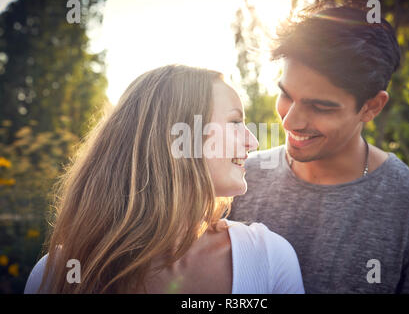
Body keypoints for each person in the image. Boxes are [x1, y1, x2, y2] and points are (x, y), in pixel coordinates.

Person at [229, 2, 409, 293]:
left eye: (319, 107)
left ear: (372, 106)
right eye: (286, 95)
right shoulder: (235, 185)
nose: (290, 121)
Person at [24, 64, 304, 294]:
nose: (253, 142)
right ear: (177, 138)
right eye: (234, 122)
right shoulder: (59, 275)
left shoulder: (268, 258)